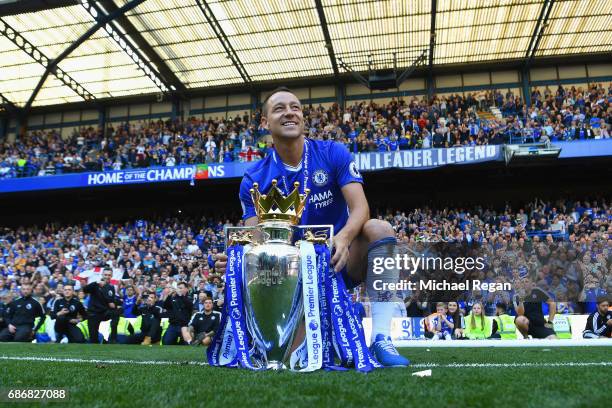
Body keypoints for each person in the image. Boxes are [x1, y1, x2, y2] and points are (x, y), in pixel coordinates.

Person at [215, 87, 409, 366]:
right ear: (265, 123)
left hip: (338, 259)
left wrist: (343, 238)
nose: (290, 112)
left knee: (380, 228)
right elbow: (256, 236)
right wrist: (237, 258)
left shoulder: (332, 153)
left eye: (295, 107)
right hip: (293, 277)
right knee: (294, 358)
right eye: (279, 108)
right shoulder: (253, 177)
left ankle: (381, 339)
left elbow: (360, 208)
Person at [82, 268, 120, 344]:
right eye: (105, 275)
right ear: (102, 275)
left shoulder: (111, 287)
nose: (107, 276)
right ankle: (100, 341)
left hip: (104, 313)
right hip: (94, 314)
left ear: (111, 276)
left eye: (109, 275)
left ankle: (113, 339)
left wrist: (114, 305)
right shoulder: (95, 285)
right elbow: (85, 290)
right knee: (93, 340)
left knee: (116, 312)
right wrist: (96, 283)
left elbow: (111, 302)